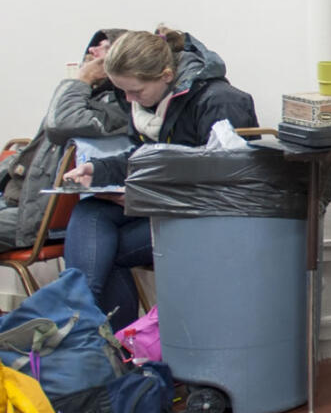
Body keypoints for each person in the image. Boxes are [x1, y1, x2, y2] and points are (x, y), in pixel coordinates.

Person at [62, 26, 257, 328]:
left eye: (135, 91)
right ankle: (88, 327)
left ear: (167, 75)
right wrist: (98, 171)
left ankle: (80, 325)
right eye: (123, 91)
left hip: (205, 216)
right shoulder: (150, 102)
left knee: (105, 250)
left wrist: (145, 195)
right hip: (164, 207)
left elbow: (228, 183)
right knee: (91, 210)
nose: (129, 99)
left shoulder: (220, 101)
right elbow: (144, 156)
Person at [0, 29, 131, 251]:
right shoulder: (84, 97)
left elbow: (60, 124)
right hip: (15, 199)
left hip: (35, 217)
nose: (92, 50)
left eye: (104, 47)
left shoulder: (121, 106)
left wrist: (82, 78)